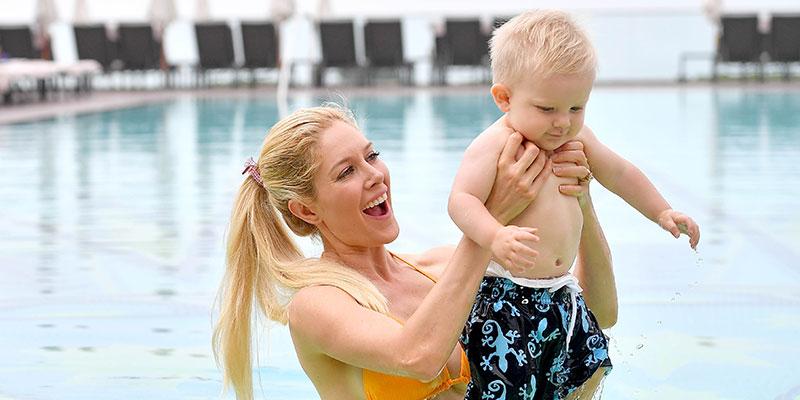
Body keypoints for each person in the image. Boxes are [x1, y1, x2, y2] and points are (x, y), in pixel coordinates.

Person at [213, 105, 617, 400]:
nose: (375, 175)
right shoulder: (316, 305)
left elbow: (595, 314)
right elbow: (417, 356)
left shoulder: (442, 267)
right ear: (306, 209)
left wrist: (580, 201)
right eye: (346, 171)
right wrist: (489, 222)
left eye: (371, 156)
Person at [448, 10, 701, 400]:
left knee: (590, 367)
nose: (562, 123)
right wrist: (494, 235)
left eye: (576, 107)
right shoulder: (495, 145)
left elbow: (620, 173)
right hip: (506, 300)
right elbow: (460, 201)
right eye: (547, 109)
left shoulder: (577, 138)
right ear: (504, 98)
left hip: (562, 295)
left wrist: (662, 211)